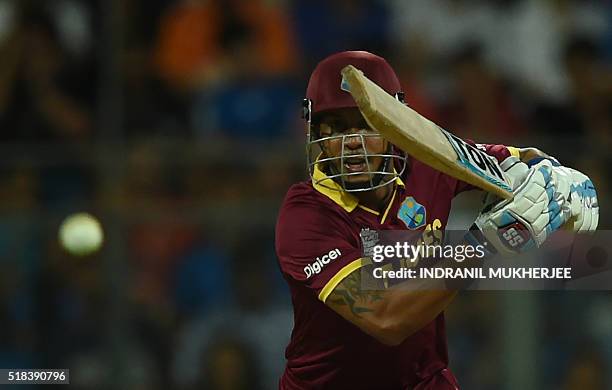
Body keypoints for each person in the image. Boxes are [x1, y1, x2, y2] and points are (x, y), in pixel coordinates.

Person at [275, 51, 598, 389]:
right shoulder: (306, 214)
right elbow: (386, 318)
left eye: (364, 123)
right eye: (336, 126)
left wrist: (553, 179)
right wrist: (490, 242)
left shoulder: (429, 162)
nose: (352, 141)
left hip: (422, 380)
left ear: (393, 123)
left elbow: (519, 160)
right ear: (315, 132)